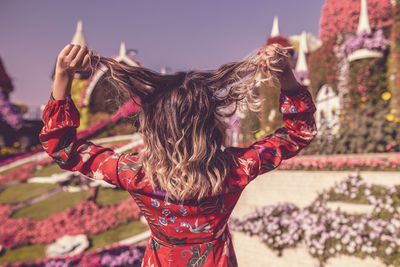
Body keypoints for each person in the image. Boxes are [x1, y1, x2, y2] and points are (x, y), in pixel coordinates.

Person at [39, 43, 317, 267]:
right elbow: (298, 132)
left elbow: (63, 149)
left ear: (153, 125)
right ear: (212, 123)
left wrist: (63, 75)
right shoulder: (235, 169)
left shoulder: (135, 173)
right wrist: (285, 75)